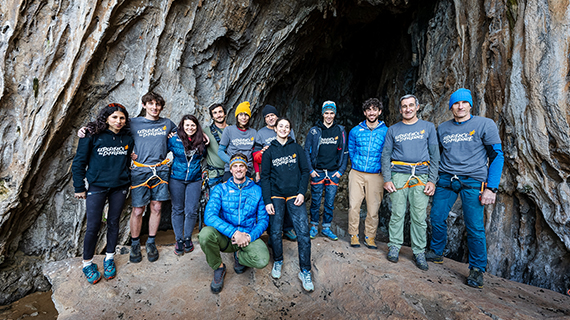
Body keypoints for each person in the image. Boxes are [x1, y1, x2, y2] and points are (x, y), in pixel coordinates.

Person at [425, 88, 504, 288]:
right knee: (436, 217)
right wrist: (433, 179)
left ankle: (477, 269)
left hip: (473, 181)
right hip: (446, 179)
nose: (460, 107)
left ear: (470, 105)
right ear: (451, 106)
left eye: (464, 103)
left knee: (474, 225)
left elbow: (496, 156)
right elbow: (436, 156)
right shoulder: (442, 128)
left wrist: (491, 188)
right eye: (456, 103)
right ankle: (436, 252)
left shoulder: (485, 124)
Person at [72, 103, 134, 284]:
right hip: (97, 186)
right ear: (106, 118)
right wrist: (79, 187)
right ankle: (87, 263)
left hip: (119, 187)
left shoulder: (128, 137)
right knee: (93, 225)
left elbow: (129, 158)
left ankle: (109, 258)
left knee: (113, 222)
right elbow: (79, 163)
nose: (118, 121)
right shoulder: (92, 135)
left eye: (122, 118)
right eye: (114, 117)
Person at [381, 94, 440, 270]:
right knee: (397, 213)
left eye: (411, 105)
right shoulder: (393, 130)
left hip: (421, 175)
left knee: (419, 216)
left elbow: (435, 155)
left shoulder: (428, 128)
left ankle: (419, 251)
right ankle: (394, 246)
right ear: (400, 109)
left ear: (417, 107)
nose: (408, 109)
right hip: (399, 174)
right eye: (404, 106)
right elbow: (385, 155)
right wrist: (387, 179)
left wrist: (432, 180)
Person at [199, 153, 270, 294]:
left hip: (247, 235)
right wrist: (234, 233)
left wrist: (249, 236)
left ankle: (239, 256)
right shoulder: (221, 189)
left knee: (262, 260)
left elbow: (263, 220)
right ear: (230, 170)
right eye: (235, 166)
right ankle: (218, 267)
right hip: (226, 236)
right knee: (205, 235)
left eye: (241, 166)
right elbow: (209, 216)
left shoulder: (257, 190)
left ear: (246, 169)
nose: (238, 169)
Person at [260, 117, 314, 292]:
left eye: (287, 127)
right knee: (275, 231)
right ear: (275, 129)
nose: (283, 129)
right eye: (280, 126)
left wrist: (301, 192)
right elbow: (265, 177)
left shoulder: (296, 148)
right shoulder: (269, 152)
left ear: (290, 130)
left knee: (303, 232)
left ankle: (305, 270)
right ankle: (278, 260)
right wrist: (267, 200)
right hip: (276, 194)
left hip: (294, 194)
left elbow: (305, 171)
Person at [127, 92, 176, 263]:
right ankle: (134, 244)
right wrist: (128, 152)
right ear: (144, 105)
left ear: (161, 107)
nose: (154, 108)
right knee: (138, 209)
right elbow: (115, 132)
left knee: (156, 208)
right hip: (140, 171)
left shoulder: (167, 124)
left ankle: (151, 242)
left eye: (157, 105)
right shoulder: (133, 123)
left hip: (161, 170)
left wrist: (204, 136)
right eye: (151, 104)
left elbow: (185, 134)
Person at [347, 98, 388, 249]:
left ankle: (370, 236)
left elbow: (387, 152)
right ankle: (354, 234)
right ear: (365, 112)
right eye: (369, 110)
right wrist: (356, 163)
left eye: (374, 109)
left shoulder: (386, 131)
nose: (372, 112)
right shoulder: (355, 131)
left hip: (376, 175)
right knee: (354, 206)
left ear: (379, 112)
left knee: (373, 208)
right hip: (357, 173)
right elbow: (351, 149)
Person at [304, 101, 348, 240]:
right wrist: (311, 170)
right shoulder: (314, 131)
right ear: (322, 113)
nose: (329, 116)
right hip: (318, 172)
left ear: (335, 114)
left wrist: (340, 171)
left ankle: (326, 227)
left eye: (331, 113)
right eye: (326, 113)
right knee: (316, 201)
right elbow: (306, 151)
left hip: (333, 172)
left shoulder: (340, 131)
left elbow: (345, 152)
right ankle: (314, 226)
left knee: (329, 202)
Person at [253, 104, 297, 241]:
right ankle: (272, 230)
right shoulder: (261, 133)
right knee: (271, 202)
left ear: (277, 116)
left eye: (272, 115)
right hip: (270, 173)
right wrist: (262, 154)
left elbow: (293, 150)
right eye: (267, 116)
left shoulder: (287, 129)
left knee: (288, 201)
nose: (270, 118)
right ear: (265, 120)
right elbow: (255, 156)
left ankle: (288, 228)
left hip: (286, 172)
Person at [168, 115, 209, 256]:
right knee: (177, 209)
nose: (190, 128)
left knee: (191, 210)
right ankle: (178, 239)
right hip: (176, 178)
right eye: (187, 125)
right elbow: (160, 150)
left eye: (193, 125)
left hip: (195, 179)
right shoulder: (173, 139)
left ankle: (187, 238)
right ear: (182, 126)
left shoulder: (201, 141)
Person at [218, 101, 257, 182]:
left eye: (246, 115)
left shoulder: (253, 132)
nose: (243, 117)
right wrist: (233, 162)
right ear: (237, 116)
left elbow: (255, 153)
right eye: (241, 114)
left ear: (249, 117)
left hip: (246, 170)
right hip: (231, 170)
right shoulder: (229, 130)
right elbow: (220, 151)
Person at [203, 103, 228, 187]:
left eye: (220, 112)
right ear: (212, 117)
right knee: (215, 200)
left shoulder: (233, 130)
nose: (218, 115)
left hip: (233, 173)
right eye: (215, 113)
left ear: (225, 114)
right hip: (214, 175)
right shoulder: (206, 131)